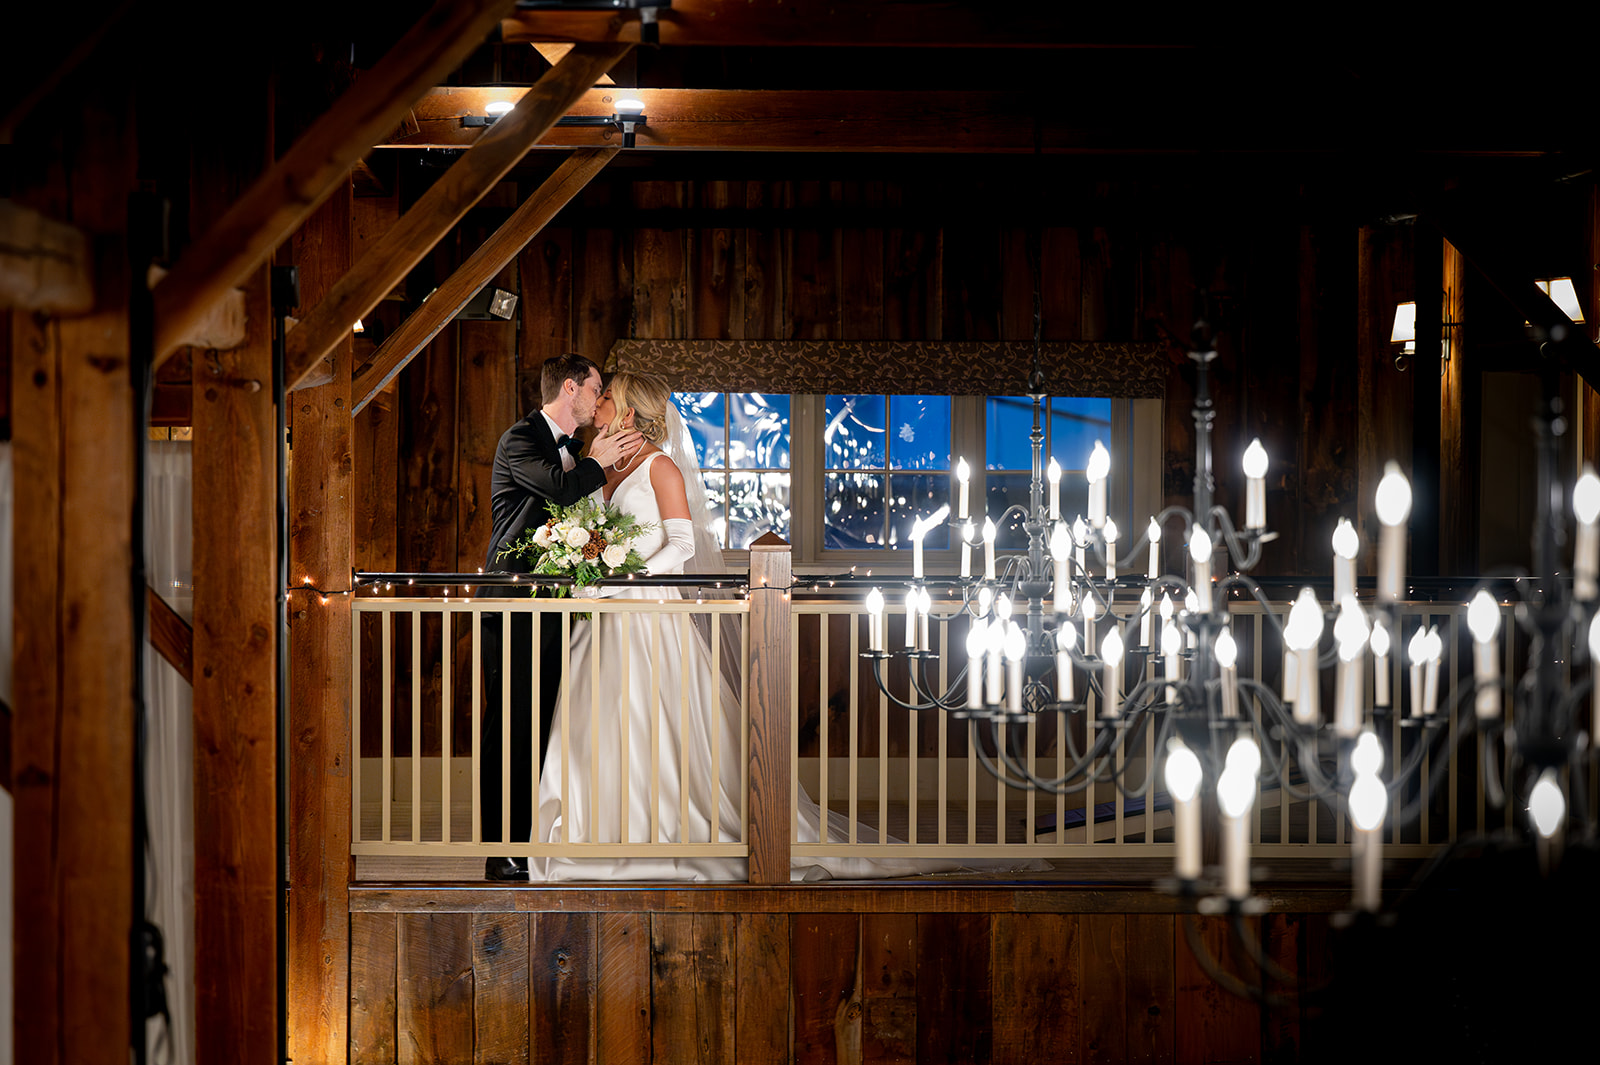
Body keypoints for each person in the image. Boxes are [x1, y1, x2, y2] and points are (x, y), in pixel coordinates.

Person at [530, 372, 1049, 881]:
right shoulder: (601, 468)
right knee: (596, 722)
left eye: (604, 399)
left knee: (652, 722)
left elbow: (683, 546)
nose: (593, 406)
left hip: (649, 615)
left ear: (626, 409)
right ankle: (591, 827)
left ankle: (662, 828)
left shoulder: (660, 467)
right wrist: (592, 575)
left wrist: (630, 580)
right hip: (603, 616)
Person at [479, 353, 641, 882]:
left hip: (556, 608)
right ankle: (500, 848)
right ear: (570, 389)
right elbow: (558, 488)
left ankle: (534, 842)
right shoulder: (521, 438)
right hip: (515, 605)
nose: (598, 399)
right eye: (595, 390)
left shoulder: (572, 443)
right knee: (509, 725)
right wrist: (595, 459)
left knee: (544, 722)